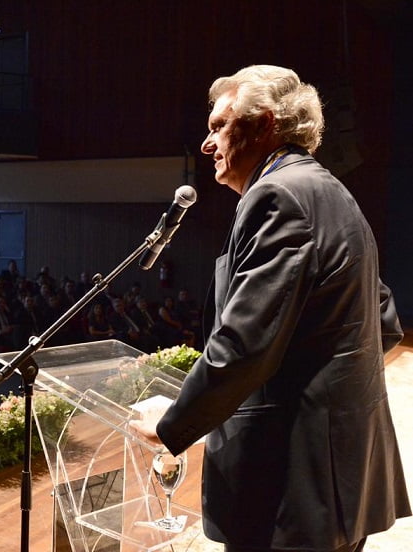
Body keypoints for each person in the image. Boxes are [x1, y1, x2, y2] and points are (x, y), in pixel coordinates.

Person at [137, 65, 409, 552]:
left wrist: (170, 425)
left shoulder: (276, 196)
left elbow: (245, 346)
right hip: (337, 480)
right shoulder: (330, 191)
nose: (207, 142)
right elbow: (384, 323)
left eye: (220, 125)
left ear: (263, 124)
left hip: (290, 486)